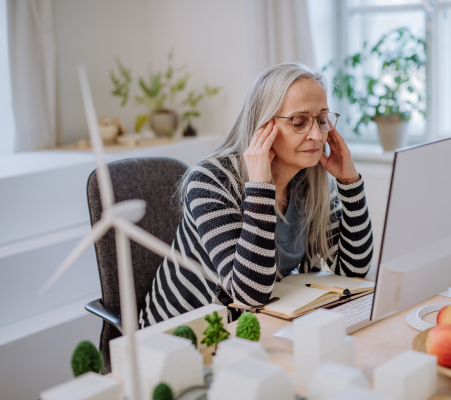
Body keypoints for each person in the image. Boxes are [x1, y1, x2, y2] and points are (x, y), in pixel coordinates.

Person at [139, 62, 374, 326]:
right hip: (184, 336)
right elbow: (248, 294)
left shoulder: (311, 180)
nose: (317, 135)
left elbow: (352, 271)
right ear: (263, 127)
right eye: (299, 122)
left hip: (256, 323)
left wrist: (350, 183)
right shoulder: (210, 180)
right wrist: (261, 188)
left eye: (321, 119)